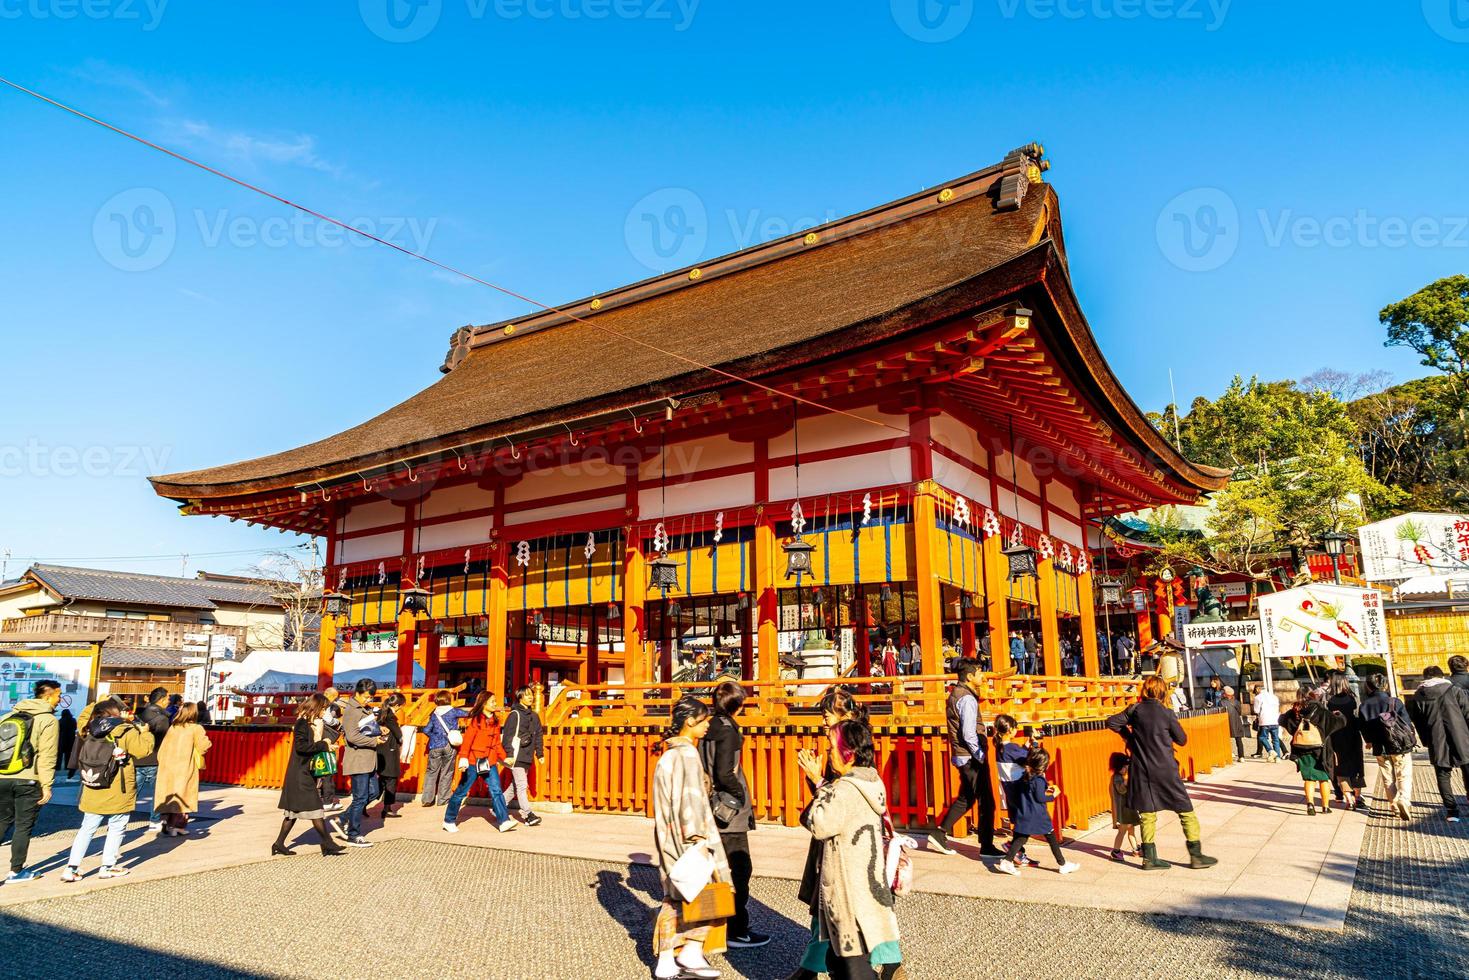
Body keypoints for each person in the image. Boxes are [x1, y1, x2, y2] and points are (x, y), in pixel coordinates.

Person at [804, 719, 903, 979]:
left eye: (831, 748)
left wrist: (817, 782)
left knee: (854, 965)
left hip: (848, 888)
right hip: (866, 881)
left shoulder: (846, 789)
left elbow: (820, 824)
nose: (828, 753)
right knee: (841, 961)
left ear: (847, 753)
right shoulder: (872, 780)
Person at [789, 686, 870, 980]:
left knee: (834, 908)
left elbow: (843, 800)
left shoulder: (850, 749)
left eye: (827, 714)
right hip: (836, 841)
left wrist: (817, 779)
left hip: (843, 845)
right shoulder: (839, 745)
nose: (823, 719)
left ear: (845, 715)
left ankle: (812, 969)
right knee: (830, 911)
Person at [652, 696, 729, 980]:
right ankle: (668, 957)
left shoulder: (670, 754)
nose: (708, 724)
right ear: (690, 721)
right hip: (689, 835)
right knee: (686, 895)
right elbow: (690, 799)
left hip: (670, 833)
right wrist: (698, 838)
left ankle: (691, 951)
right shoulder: (686, 754)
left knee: (688, 894)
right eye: (705, 719)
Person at [1105, 675, 1217, 870]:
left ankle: (1149, 858)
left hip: (1142, 770)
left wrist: (1130, 739)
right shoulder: (1166, 713)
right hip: (1166, 769)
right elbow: (1181, 740)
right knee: (1185, 811)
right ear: (1163, 691)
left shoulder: (1135, 710)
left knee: (1148, 814)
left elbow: (1112, 722)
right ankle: (1196, 855)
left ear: (1145, 691)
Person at [700, 680, 768, 949]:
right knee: (739, 868)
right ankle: (736, 928)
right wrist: (738, 796)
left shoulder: (707, 727)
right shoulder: (728, 730)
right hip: (728, 810)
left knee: (715, 869)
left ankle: (713, 925)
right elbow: (725, 772)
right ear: (738, 705)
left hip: (710, 803)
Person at [61, 699, 155, 881]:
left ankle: (71, 868)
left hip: (93, 784)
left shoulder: (88, 729)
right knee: (117, 826)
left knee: (87, 827)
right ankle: (107, 866)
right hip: (117, 787)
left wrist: (95, 703)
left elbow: (82, 718)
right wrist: (145, 733)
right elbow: (143, 750)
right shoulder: (124, 730)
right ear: (115, 713)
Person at [929, 658, 1001, 857]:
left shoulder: (955, 694)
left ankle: (939, 832)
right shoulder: (967, 699)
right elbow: (969, 733)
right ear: (970, 676)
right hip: (970, 756)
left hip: (961, 754)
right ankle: (986, 846)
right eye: (979, 673)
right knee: (986, 801)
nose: (983, 676)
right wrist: (979, 755)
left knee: (967, 797)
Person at [0, 679, 61, 883]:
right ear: (48, 696)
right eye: (58, 695)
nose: (59, 700)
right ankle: (16, 871)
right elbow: (47, 756)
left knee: (1, 822)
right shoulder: (48, 720)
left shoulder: (9, 715)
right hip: (28, 781)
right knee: (23, 826)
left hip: (3, 777)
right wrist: (47, 785)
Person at [272, 693, 347, 857]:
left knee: (292, 813)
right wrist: (323, 745)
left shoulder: (313, 724)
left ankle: (278, 844)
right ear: (317, 707)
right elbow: (301, 748)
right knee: (316, 808)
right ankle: (327, 844)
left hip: (304, 772)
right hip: (299, 774)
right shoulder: (302, 723)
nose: (325, 712)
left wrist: (325, 745)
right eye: (324, 708)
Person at [997, 744, 1079, 876]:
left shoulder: (1024, 776)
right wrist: (1053, 795)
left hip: (1024, 813)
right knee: (1051, 838)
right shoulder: (1039, 780)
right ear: (1043, 766)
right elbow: (1040, 797)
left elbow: (1031, 792)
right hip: (1038, 816)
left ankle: (1007, 861)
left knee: (1020, 839)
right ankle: (1063, 864)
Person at [443, 691, 516, 834]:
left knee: (496, 790)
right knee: (461, 791)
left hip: (490, 761)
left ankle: (504, 821)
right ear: (484, 703)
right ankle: (448, 820)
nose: (495, 703)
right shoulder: (476, 721)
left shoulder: (495, 721)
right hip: (472, 761)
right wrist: (463, 757)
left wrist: (504, 757)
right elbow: (468, 741)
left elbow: (496, 743)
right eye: (492, 701)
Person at [1407, 664, 1469, 823]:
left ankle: (1451, 811)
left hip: (1436, 738)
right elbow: (1467, 713)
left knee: (1443, 774)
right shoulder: (1454, 690)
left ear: (1425, 678)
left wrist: (1426, 741)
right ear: (1442, 676)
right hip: (1461, 736)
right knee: (1467, 768)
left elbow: (1418, 722)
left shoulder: (1418, 695)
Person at [1280, 686, 1347, 815]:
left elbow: (1282, 720)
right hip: (1321, 750)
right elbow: (1340, 722)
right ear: (1312, 695)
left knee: (1309, 779)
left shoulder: (1295, 710)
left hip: (1302, 749)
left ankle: (1310, 805)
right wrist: (1340, 715)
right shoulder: (1320, 709)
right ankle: (1325, 807)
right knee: (1323, 778)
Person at [1358, 673, 1416, 820]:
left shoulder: (1364, 705)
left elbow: (1363, 727)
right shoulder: (1395, 702)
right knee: (1403, 774)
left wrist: (1369, 741)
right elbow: (1407, 723)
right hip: (1399, 745)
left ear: (1369, 686)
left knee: (1387, 777)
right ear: (1385, 685)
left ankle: (1395, 807)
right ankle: (1403, 799)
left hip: (1379, 747)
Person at [340, 678, 387, 847]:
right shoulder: (352, 710)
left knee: (373, 792)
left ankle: (345, 817)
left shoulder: (364, 709)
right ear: (357, 692)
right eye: (366, 696)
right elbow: (352, 737)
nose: (368, 700)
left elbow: (367, 730)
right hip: (358, 759)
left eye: (370, 697)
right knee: (360, 798)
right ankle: (353, 833)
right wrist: (375, 742)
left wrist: (379, 730)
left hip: (368, 760)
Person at [154, 701, 212, 836]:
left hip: (167, 766)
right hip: (184, 766)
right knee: (183, 796)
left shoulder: (173, 727)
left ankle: (166, 822)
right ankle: (177, 826)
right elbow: (204, 746)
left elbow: (163, 748)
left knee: (169, 795)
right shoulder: (196, 728)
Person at [500, 685, 545, 826]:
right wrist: (510, 754)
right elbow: (508, 736)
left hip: (527, 755)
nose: (530, 697)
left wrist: (540, 753)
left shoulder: (534, 716)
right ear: (519, 697)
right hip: (516, 755)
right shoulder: (515, 715)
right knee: (521, 785)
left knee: (515, 786)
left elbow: (539, 735)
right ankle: (528, 815)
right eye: (526, 695)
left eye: (531, 694)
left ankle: (498, 807)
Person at [1325, 672, 1366, 810]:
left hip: (1336, 736)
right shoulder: (1352, 699)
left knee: (1341, 767)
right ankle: (1357, 796)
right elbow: (1358, 717)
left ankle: (1348, 798)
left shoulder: (1329, 701)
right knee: (1356, 766)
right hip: (1353, 734)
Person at [134, 685, 172, 833]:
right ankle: (155, 820)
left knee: (133, 792)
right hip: (154, 759)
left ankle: (120, 815)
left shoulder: (141, 714)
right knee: (157, 792)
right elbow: (163, 740)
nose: (169, 701)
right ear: (162, 700)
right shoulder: (162, 718)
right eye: (168, 698)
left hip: (138, 758)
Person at [420, 690, 467, 807]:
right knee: (447, 772)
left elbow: (426, 730)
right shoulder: (453, 711)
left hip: (434, 746)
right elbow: (468, 714)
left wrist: (434, 736)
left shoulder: (434, 713)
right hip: (449, 745)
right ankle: (443, 799)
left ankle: (427, 800)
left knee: (431, 772)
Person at [374, 692, 405, 819]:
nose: (401, 708)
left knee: (381, 780)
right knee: (391, 780)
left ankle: (365, 804)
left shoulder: (381, 714)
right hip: (390, 751)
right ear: (397, 705)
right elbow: (399, 736)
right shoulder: (391, 717)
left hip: (380, 750)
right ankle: (387, 809)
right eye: (401, 705)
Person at [1108, 752, 1140, 861]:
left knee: (1131, 830)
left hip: (1128, 808)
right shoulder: (1117, 778)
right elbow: (1121, 790)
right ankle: (1115, 851)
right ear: (1119, 767)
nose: (1126, 769)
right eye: (1125, 767)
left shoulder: (1121, 776)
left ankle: (1135, 848)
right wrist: (1126, 782)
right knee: (1122, 831)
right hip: (1123, 810)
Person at [317, 686, 344, 813]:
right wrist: (337, 723)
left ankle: (318, 799)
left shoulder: (317, 703)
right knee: (327, 770)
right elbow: (328, 720)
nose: (335, 699)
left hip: (316, 741)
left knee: (317, 769)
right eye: (335, 697)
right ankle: (327, 801)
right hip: (325, 739)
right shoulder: (325, 704)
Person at [1252, 683, 1283, 762]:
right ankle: (1278, 757)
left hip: (1265, 720)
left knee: (1262, 737)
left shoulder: (1258, 697)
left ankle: (1270, 751)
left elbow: (1256, 710)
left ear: (1258, 689)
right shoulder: (1274, 697)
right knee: (1275, 739)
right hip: (1275, 720)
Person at [1221, 686, 1247, 761]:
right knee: (1239, 740)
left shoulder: (1222, 702)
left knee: (1226, 739)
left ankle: (1228, 754)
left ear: (1225, 694)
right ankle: (1241, 756)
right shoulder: (1236, 702)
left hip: (1226, 721)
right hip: (1237, 721)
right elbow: (1239, 712)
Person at [56, 707, 76, 780]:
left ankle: (58, 766)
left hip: (62, 739)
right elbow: (75, 727)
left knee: (59, 754)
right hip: (71, 739)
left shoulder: (60, 721)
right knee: (68, 754)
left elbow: (58, 730)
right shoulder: (73, 720)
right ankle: (67, 766)